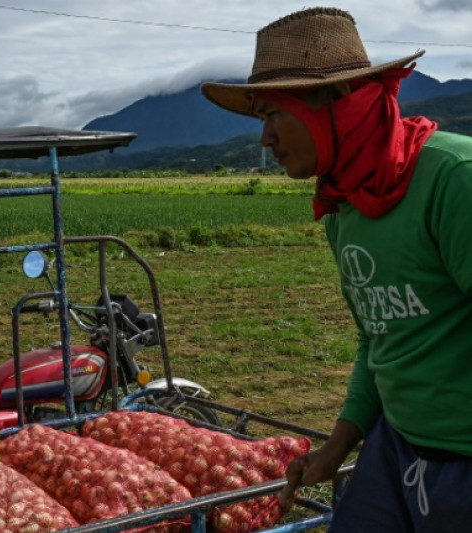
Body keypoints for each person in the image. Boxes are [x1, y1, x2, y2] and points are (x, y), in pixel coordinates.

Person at [201, 7, 472, 531]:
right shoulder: (344, 204)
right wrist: (339, 444)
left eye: (272, 114)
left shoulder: (452, 181)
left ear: (339, 106)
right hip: (395, 447)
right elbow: (380, 337)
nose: (265, 140)